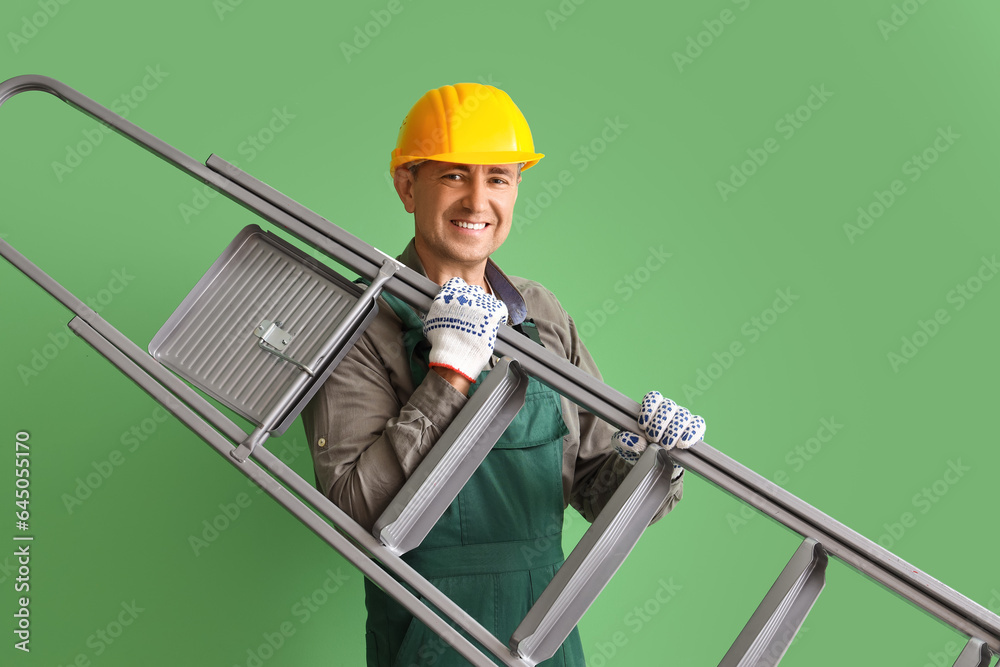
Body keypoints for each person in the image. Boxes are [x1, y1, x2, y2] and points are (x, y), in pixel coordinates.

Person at [303, 83, 706, 667]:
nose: (476, 200)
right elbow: (351, 511)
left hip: (544, 636)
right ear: (406, 186)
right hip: (427, 635)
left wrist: (652, 462)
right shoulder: (364, 322)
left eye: (497, 178)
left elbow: (595, 485)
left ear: (516, 190)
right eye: (452, 176)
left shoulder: (541, 314)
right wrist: (447, 376)